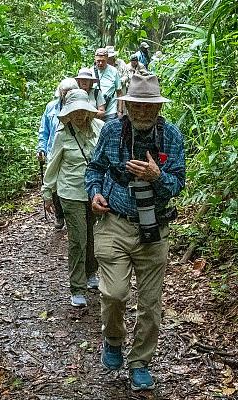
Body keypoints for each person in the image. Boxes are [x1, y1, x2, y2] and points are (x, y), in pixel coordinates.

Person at [85, 74, 184, 391]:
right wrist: (94, 193)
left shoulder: (171, 136)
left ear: (157, 108)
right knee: (114, 293)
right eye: (137, 105)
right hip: (115, 221)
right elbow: (95, 168)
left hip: (154, 227)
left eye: (149, 106)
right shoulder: (112, 130)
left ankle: (140, 362)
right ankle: (113, 339)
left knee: (151, 304)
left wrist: (157, 176)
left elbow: (177, 184)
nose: (143, 112)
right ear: (127, 105)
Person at [43, 89, 104, 307]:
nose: (79, 115)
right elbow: (53, 164)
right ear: (69, 113)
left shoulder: (100, 129)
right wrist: (47, 192)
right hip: (70, 192)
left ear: (88, 111)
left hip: (95, 192)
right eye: (74, 111)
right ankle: (77, 287)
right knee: (78, 238)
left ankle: (90, 273)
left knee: (92, 236)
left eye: (82, 110)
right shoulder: (62, 134)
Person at [38, 78, 80, 229]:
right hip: (52, 150)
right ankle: (59, 215)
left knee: (68, 182)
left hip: (72, 151)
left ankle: (72, 215)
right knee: (54, 183)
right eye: (64, 91)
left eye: (69, 91)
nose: (66, 94)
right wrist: (41, 148)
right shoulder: (51, 107)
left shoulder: (80, 107)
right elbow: (44, 130)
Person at [92, 48, 121, 122]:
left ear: (107, 59)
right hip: (95, 112)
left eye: (103, 61)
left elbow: (119, 92)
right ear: (95, 59)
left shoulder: (114, 71)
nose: (100, 63)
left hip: (111, 111)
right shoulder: (90, 72)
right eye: (98, 61)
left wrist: (120, 110)